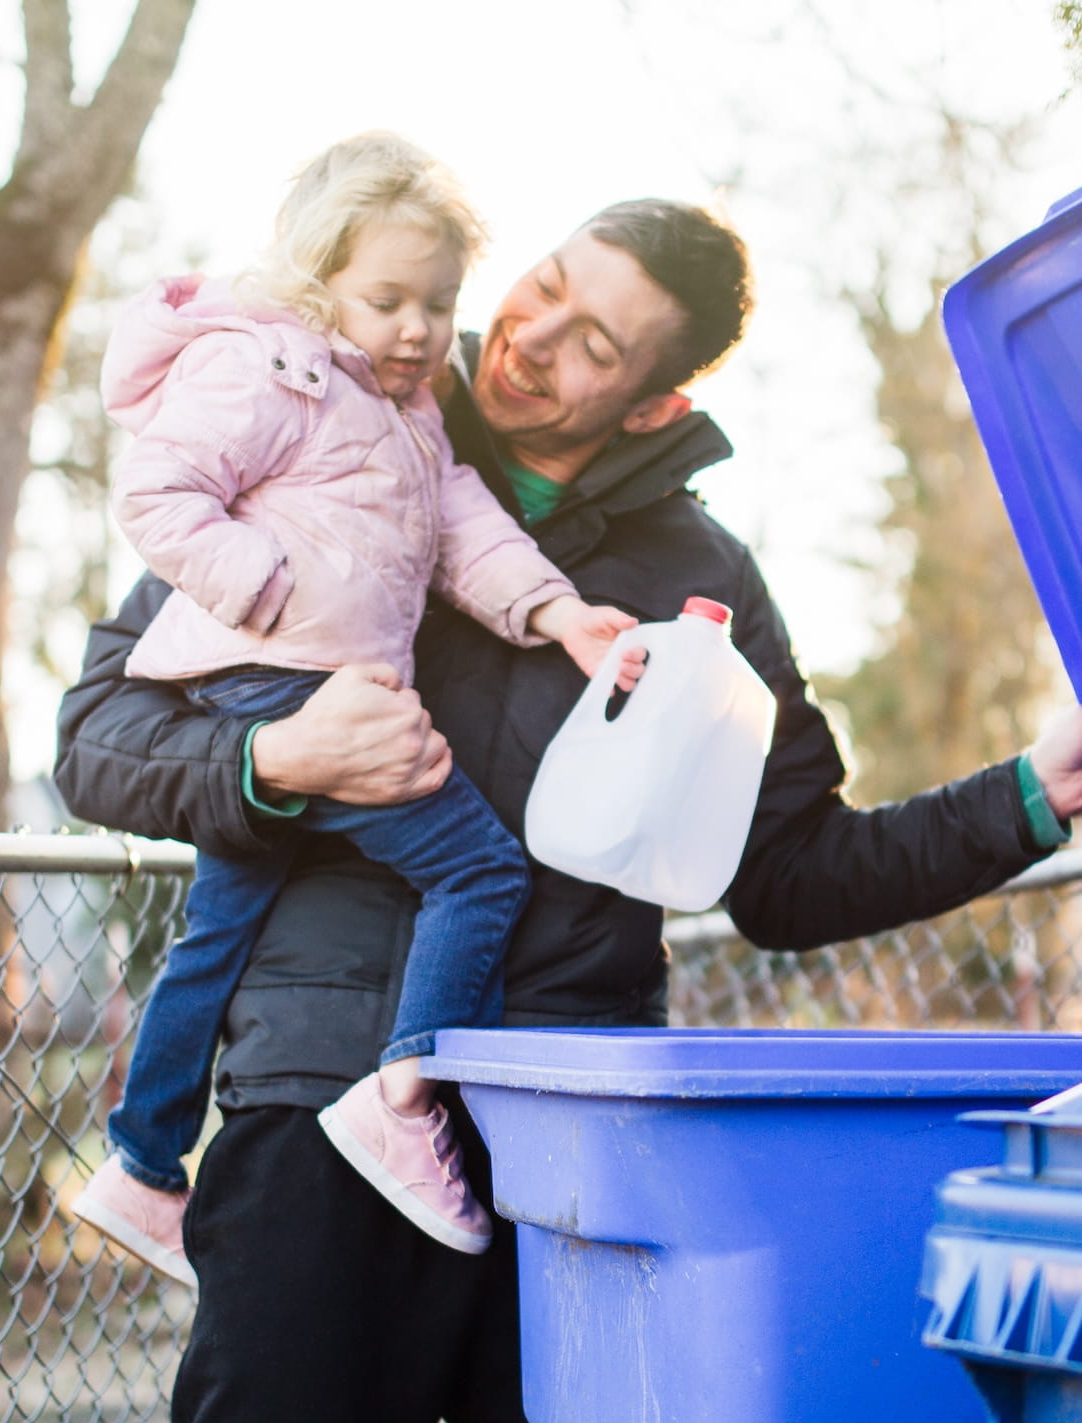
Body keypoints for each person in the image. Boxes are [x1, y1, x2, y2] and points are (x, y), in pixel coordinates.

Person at [54, 196, 1082, 1423]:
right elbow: (101, 732)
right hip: (322, 1112)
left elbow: (793, 871)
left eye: (594, 343)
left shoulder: (707, 584)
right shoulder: (335, 427)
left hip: (571, 1141)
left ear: (660, 396)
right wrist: (272, 762)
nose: (533, 344)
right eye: (543, 291)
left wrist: (1025, 796)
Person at [66, 134, 651, 1284]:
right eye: (385, 299)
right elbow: (153, 488)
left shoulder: (411, 412)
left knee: (215, 933)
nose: (417, 329)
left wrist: (558, 612)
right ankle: (405, 1095)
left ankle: (139, 1163)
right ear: (318, 282)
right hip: (281, 678)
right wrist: (266, 592)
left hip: (302, 679)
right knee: (479, 871)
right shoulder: (271, 369)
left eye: (438, 303)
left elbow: (466, 531)